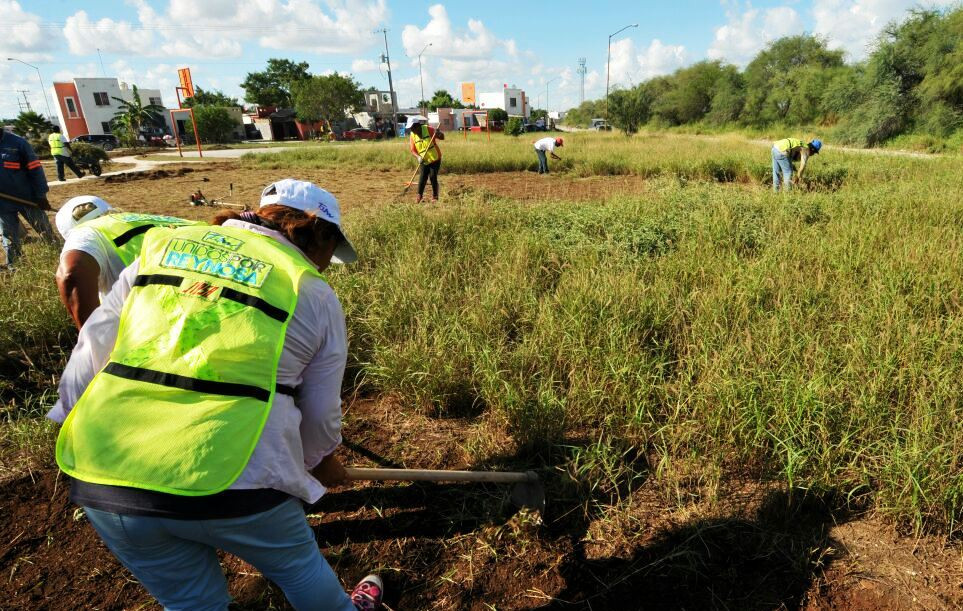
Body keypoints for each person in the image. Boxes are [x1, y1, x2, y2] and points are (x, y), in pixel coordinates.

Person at [48, 178, 384, 610]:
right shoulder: (308, 288)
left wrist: (76, 432)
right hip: (234, 476)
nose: (324, 265)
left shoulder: (164, 247)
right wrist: (316, 465)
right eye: (327, 253)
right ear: (316, 231)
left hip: (106, 477)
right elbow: (320, 413)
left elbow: (89, 353)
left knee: (191, 604)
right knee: (300, 571)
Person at [54, 195, 204, 328]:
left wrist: (93, 344)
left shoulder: (86, 231)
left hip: (164, 329)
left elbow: (72, 273)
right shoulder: (158, 220)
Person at [0, 128, 50, 270]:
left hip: (28, 199)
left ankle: (59, 257)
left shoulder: (18, 143)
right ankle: (16, 267)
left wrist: (41, 195)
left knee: (44, 230)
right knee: (9, 236)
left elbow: (35, 169)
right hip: (3, 204)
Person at [407, 115, 444, 203]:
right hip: (423, 159)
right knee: (422, 177)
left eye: (412, 128)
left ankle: (435, 196)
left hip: (434, 158)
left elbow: (442, 137)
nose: (411, 130)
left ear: (417, 126)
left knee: (432, 176)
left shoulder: (428, 129)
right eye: (410, 128)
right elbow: (413, 150)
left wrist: (439, 133)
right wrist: (418, 157)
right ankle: (419, 196)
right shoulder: (412, 135)